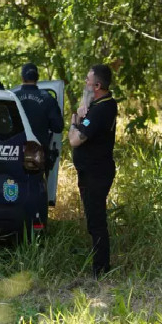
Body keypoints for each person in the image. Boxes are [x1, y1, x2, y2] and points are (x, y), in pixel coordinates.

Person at [68, 64, 118, 278]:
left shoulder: (100, 110)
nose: (85, 84)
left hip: (96, 173)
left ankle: (101, 269)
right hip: (91, 171)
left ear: (97, 85)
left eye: (88, 81)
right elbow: (83, 121)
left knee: (96, 221)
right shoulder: (100, 105)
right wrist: (82, 111)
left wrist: (73, 121)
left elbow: (74, 140)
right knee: (93, 219)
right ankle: (100, 263)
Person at [13, 62, 64, 163]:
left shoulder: (12, 97)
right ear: (37, 78)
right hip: (38, 156)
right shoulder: (48, 98)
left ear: (22, 78)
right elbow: (58, 127)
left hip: (13, 153)